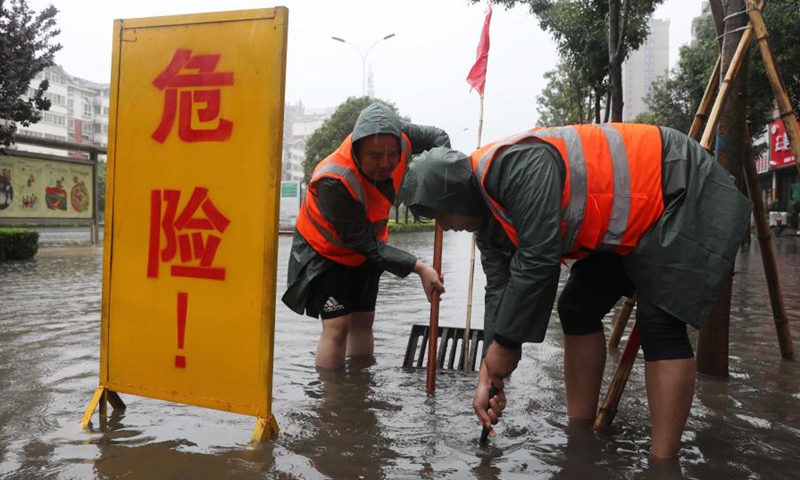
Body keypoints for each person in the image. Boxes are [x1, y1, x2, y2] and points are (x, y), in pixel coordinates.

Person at [399, 123, 751, 458]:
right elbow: (500, 292)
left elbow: (539, 259)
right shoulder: (489, 225)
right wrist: (488, 373)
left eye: (441, 215)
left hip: (679, 190)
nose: (443, 226)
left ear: (458, 198)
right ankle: (579, 435)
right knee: (577, 308)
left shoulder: (517, 165)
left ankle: (663, 464)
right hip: (628, 227)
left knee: (659, 321)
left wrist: (507, 345)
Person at [282, 103, 449, 369]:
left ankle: (359, 388)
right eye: (374, 155)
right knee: (338, 325)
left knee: (364, 320)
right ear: (357, 148)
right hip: (326, 251)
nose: (386, 163)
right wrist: (419, 268)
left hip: (371, 246)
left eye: (392, 154)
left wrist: (441, 171)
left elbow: (438, 137)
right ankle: (335, 401)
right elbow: (362, 242)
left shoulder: (400, 136)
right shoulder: (333, 179)